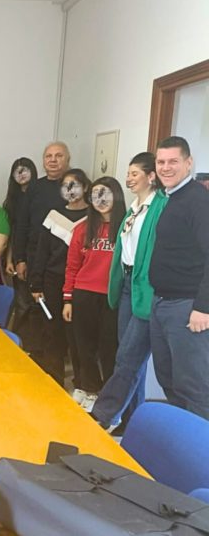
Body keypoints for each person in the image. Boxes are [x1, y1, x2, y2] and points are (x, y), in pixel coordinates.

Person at [91, 153, 167, 431]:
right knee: (131, 356)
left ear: (151, 177)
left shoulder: (161, 206)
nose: (129, 179)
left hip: (146, 287)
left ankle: (104, 414)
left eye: (135, 174)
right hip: (126, 283)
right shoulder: (134, 209)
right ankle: (133, 420)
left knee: (128, 356)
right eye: (128, 173)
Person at [149, 136, 209, 420]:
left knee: (194, 387)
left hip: (187, 307)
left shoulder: (198, 201)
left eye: (173, 161)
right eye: (161, 162)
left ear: (188, 163)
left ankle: (199, 446)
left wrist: (203, 307)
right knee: (169, 379)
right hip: (162, 303)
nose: (166, 167)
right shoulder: (172, 198)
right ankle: (180, 440)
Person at [63, 176, 125, 411]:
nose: (100, 199)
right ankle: (89, 389)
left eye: (105, 193)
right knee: (84, 347)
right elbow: (72, 266)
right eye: (95, 194)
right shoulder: (83, 228)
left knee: (109, 348)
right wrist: (67, 298)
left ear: (116, 195)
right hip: (83, 294)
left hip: (111, 296)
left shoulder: (126, 227)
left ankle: (106, 396)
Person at [28, 168, 89, 387]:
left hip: (82, 283)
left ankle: (82, 384)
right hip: (53, 280)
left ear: (85, 187)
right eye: (65, 186)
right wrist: (36, 283)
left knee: (78, 335)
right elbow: (41, 252)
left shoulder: (93, 218)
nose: (70, 190)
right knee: (52, 331)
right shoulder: (54, 216)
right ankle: (54, 381)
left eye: (75, 185)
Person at [12, 143, 70, 363]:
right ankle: (34, 356)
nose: (53, 160)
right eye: (48, 156)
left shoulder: (73, 185)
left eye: (58, 156)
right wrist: (20, 259)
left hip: (63, 260)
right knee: (33, 308)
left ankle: (56, 359)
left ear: (67, 159)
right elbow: (22, 224)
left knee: (58, 311)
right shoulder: (34, 188)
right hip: (34, 257)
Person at [2, 158, 37, 335]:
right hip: (17, 255)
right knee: (21, 301)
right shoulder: (11, 201)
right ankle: (19, 339)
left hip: (37, 254)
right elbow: (11, 234)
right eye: (18, 171)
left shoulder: (39, 196)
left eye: (25, 170)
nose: (21, 174)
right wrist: (10, 260)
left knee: (36, 302)